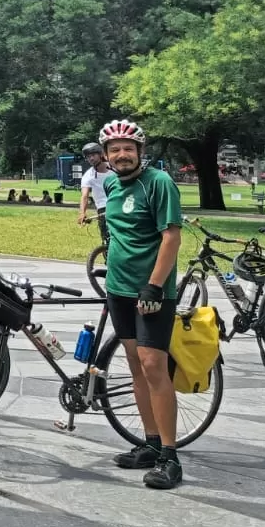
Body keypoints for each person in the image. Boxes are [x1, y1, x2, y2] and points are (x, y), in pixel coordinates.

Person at [98, 118, 184, 490]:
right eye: (114, 149)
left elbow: (171, 238)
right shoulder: (111, 184)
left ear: (140, 152)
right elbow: (117, 230)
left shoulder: (159, 183)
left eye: (128, 148)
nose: (121, 154)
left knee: (154, 367)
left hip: (151, 292)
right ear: (105, 156)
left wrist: (153, 286)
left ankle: (169, 455)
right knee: (134, 365)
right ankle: (148, 444)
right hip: (118, 289)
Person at [78, 142, 112, 236]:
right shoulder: (88, 176)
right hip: (102, 209)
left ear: (100, 154)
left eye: (93, 155)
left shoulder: (114, 169)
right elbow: (84, 196)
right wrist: (82, 213)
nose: (91, 158)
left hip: (117, 204)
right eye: (88, 156)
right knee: (106, 239)